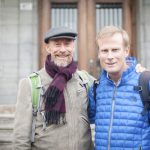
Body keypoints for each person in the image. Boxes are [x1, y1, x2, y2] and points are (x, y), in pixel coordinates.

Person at [13, 27, 95, 150]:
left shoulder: (85, 80)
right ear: (48, 48)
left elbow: (111, 87)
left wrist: (131, 71)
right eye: (57, 45)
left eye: (67, 44)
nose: (62, 50)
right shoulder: (30, 84)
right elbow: (21, 138)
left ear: (73, 47)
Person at [88, 26, 150, 150]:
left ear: (126, 51)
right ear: (99, 54)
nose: (110, 56)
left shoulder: (145, 82)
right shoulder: (96, 88)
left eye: (115, 50)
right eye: (104, 51)